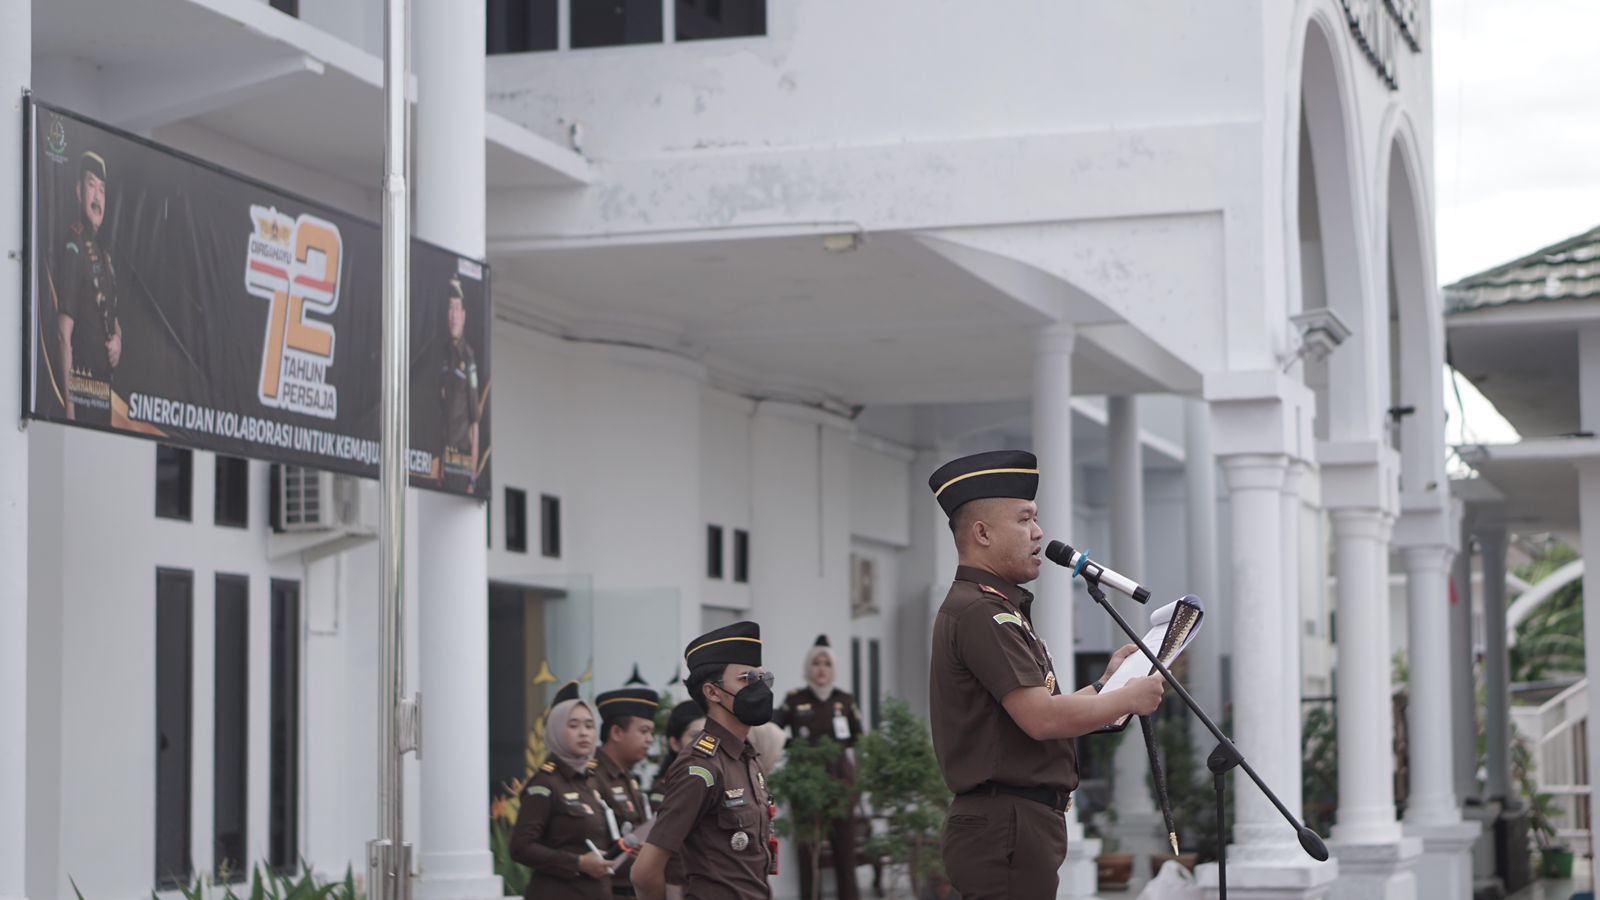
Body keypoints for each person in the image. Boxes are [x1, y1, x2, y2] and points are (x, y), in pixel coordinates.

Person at [926, 450, 1164, 900]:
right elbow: (1042, 720)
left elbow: (1033, 713)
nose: (1038, 533)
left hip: (1014, 824)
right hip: (1005, 825)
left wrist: (1104, 685)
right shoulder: (981, 611)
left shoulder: (995, 607)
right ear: (982, 532)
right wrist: (1129, 698)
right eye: (1025, 519)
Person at [632, 621, 775, 900]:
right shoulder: (700, 768)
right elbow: (644, 872)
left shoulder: (747, 758)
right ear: (712, 692)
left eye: (763, 679)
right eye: (747, 679)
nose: (759, 689)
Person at [773, 635, 863, 900]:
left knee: (844, 850)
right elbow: (773, 730)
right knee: (808, 850)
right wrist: (797, 746)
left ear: (833, 668)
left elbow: (859, 737)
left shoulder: (844, 700)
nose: (821, 668)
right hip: (806, 778)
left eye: (826, 663)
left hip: (840, 779)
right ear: (807, 667)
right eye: (816, 663)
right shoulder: (795, 699)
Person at [510, 681, 616, 899]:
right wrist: (577, 863)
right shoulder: (545, 784)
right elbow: (521, 846)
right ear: (556, 730)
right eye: (573, 725)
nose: (584, 733)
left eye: (589, 725)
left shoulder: (589, 782)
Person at [55, 150, 121, 425]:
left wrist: (119, 342)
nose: (97, 197)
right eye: (91, 185)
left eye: (102, 190)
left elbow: (113, 320)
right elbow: (62, 334)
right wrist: (70, 410)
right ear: (79, 191)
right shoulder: (74, 244)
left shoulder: (104, 254)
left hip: (102, 393)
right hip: (82, 397)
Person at [594, 687, 660, 897]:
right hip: (606, 888)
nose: (650, 739)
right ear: (616, 732)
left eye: (651, 732)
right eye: (643, 731)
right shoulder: (592, 776)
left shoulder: (630, 778)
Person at [649, 701, 707, 900]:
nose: (704, 744)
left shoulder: (712, 780)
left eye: (708, 736)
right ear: (674, 743)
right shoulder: (666, 788)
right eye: (694, 736)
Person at [438, 276, 480, 492]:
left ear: (463, 316)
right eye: (450, 309)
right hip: (443, 463)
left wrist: (472, 476)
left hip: (461, 463)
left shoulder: (468, 357)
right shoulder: (443, 353)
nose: (454, 315)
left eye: (457, 309)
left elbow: (475, 422)